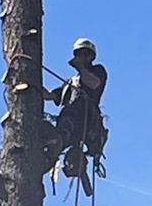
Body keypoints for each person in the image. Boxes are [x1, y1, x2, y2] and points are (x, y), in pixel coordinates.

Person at [44, 37, 107, 194]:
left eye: (84, 54)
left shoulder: (97, 71)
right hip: (68, 122)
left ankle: (60, 145)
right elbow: (52, 96)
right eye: (79, 54)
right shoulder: (71, 83)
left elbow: (93, 84)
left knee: (65, 129)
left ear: (91, 56)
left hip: (85, 121)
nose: (81, 57)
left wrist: (81, 69)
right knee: (54, 140)